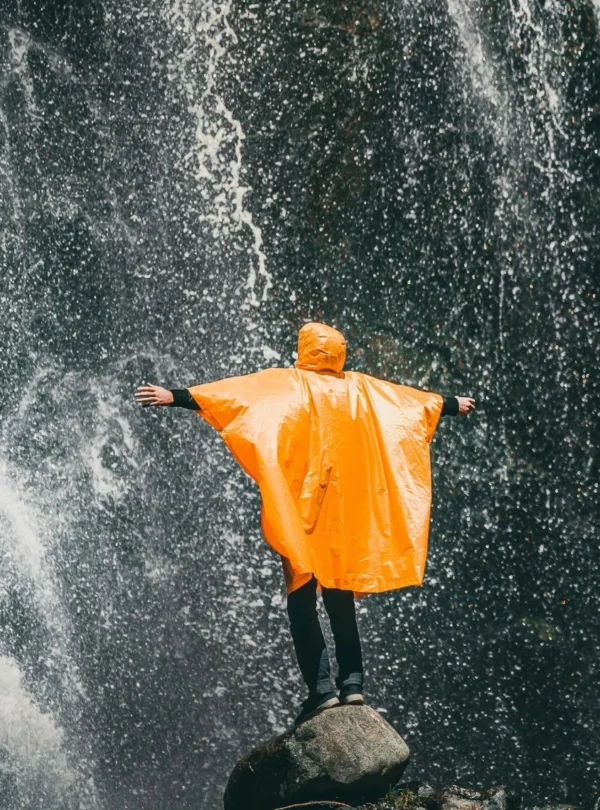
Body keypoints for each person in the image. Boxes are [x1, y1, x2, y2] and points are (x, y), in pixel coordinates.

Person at [135, 322, 475, 724]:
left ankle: (322, 691)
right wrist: (452, 403)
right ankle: (353, 686)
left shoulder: (287, 384)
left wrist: (173, 396)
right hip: (344, 516)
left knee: (302, 603)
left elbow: (234, 396)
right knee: (340, 600)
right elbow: (408, 403)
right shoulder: (360, 389)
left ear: (305, 349)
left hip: (302, 512)